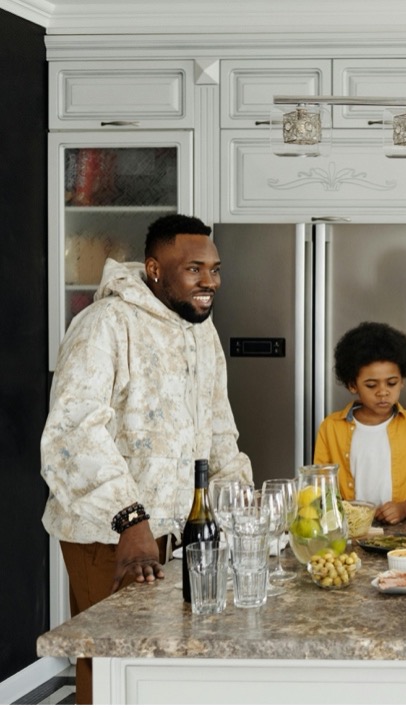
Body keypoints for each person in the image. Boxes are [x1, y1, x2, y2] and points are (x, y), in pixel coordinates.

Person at [40, 214, 253, 704]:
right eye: (194, 269)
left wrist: (239, 498)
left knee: (164, 668)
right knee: (113, 663)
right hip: (110, 534)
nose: (210, 283)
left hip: (178, 530)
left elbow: (217, 425)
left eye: (215, 270)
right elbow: (72, 434)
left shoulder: (200, 330)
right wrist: (130, 520)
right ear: (156, 270)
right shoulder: (103, 325)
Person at [313, 321, 406, 524]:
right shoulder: (331, 428)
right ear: (352, 385)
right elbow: (319, 486)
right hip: (348, 532)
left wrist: (405, 508)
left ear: (402, 380)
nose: (383, 392)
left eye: (392, 383)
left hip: (404, 532)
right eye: (371, 385)